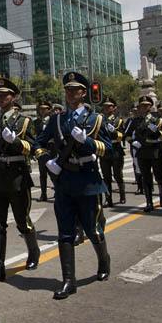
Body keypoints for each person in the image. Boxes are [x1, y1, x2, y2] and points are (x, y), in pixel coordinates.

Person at [34, 71, 113, 300]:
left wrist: (86, 141)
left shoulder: (95, 119)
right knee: (65, 233)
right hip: (65, 181)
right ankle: (69, 281)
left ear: (83, 92)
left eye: (75, 89)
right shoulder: (57, 119)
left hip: (88, 180)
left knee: (92, 229)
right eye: (67, 89)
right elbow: (38, 143)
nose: (70, 93)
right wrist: (47, 161)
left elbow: (110, 150)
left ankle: (103, 260)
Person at [0, 78, 41, 285]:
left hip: (17, 176)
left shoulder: (24, 122)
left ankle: (33, 250)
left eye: (5, 95)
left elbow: (33, 148)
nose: (1, 98)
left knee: (22, 221)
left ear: (13, 98)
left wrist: (14, 141)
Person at [128, 95, 162, 212]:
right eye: (142, 106)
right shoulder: (135, 121)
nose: (144, 107)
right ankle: (149, 201)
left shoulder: (157, 120)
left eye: (146, 105)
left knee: (159, 175)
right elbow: (127, 134)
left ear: (150, 106)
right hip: (142, 151)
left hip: (155, 150)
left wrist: (157, 132)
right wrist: (133, 142)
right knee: (146, 177)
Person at [98, 96, 127, 206]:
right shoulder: (100, 120)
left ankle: (122, 196)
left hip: (116, 150)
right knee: (106, 176)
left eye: (109, 106)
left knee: (118, 175)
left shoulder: (118, 121)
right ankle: (108, 199)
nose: (106, 108)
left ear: (114, 108)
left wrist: (114, 131)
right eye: (105, 106)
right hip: (104, 150)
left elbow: (122, 136)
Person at [33, 101, 54, 202]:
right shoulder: (36, 122)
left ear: (49, 109)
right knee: (42, 173)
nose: (42, 110)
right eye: (41, 109)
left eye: (44, 108)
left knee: (53, 172)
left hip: (52, 149)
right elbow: (34, 136)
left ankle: (58, 191)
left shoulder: (53, 120)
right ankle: (43, 194)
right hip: (41, 150)